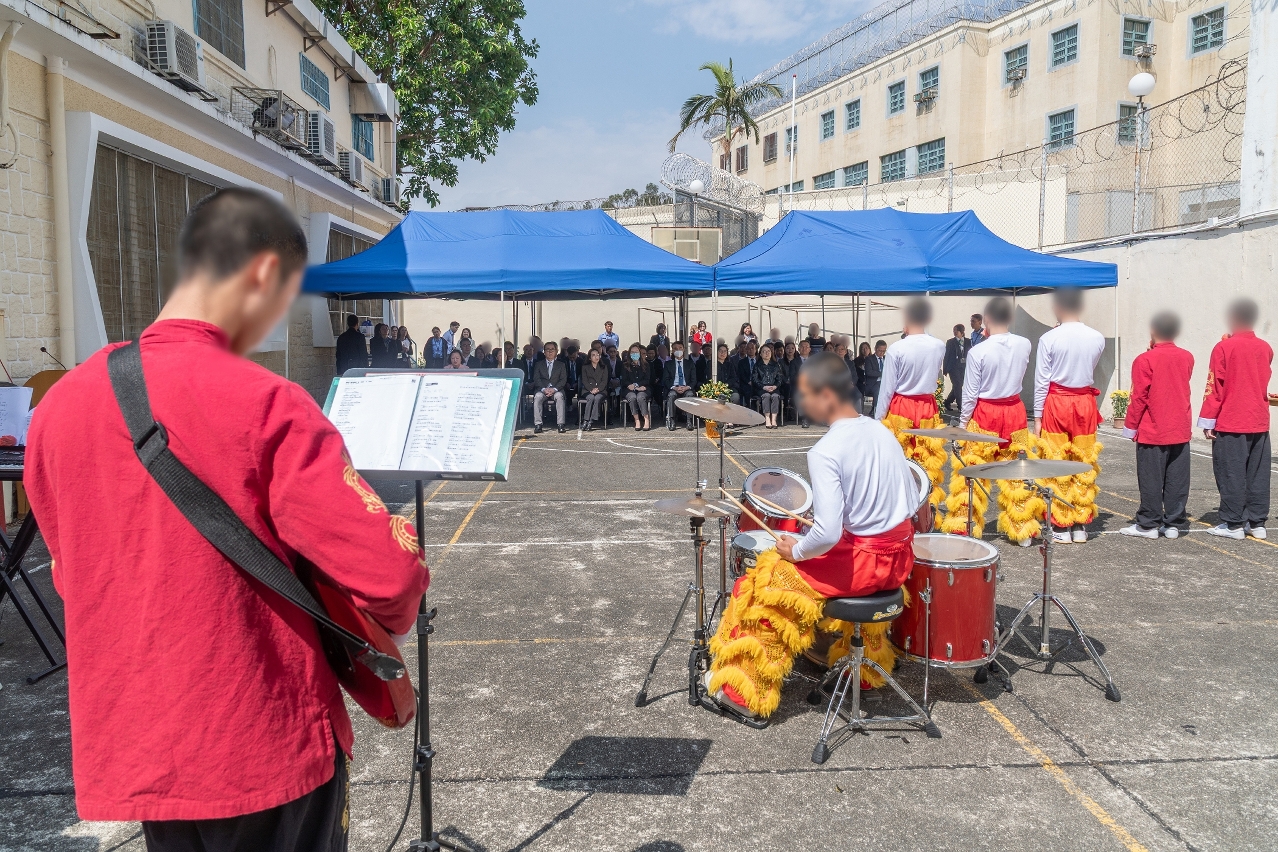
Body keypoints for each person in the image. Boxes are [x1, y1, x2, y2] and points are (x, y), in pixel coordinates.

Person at [25, 188, 429, 849]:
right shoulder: (268, 400)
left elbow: (75, 580)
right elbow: (389, 578)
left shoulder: (59, 408)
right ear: (265, 273)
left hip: (145, 744)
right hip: (264, 736)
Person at [707, 353, 918, 718]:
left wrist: (797, 551)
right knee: (797, 556)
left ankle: (744, 693)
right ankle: (863, 675)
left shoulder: (826, 450)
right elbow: (909, 502)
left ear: (826, 395)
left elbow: (828, 533)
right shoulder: (881, 431)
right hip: (899, 558)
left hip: (864, 563)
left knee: (765, 579)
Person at [940, 297, 1042, 546]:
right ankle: (1022, 528)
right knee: (1017, 470)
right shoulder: (1025, 344)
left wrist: (962, 425)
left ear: (986, 319)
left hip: (986, 411)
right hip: (1014, 410)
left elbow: (970, 394)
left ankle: (965, 525)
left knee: (973, 469)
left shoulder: (978, 351)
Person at [1033, 288, 1108, 544]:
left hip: (1057, 401)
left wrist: (1038, 416)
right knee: (1084, 460)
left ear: (1058, 307)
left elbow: (1042, 380)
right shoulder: (1097, 337)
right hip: (1084, 401)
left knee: (1056, 460)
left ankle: (1060, 523)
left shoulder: (1049, 338)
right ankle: (1080, 524)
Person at [1198, 297, 1273, 539]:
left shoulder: (1223, 347)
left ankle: (1233, 524)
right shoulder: (1265, 347)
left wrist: (1208, 420)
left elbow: (1214, 386)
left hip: (1232, 419)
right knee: (1258, 473)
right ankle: (1257, 522)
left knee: (1231, 472)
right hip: (1258, 419)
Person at [1120, 312, 1195, 539]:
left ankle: (1148, 523)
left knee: (1151, 477)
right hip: (1180, 426)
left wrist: (1130, 426)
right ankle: (1173, 522)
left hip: (1153, 428)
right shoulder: (1187, 357)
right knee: (1177, 477)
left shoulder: (1144, 360)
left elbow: (1138, 397)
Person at [874, 298, 947, 513]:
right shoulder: (938, 345)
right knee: (927, 459)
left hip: (902, 406)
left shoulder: (897, 348)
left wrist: (878, 419)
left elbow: (887, 388)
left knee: (901, 458)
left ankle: (900, 509)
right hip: (927, 407)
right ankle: (926, 509)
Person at [532, 341, 568, 433]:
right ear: (544, 352)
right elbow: (536, 378)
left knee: (559, 396)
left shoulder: (561, 365)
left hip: (556, 390)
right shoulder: (538, 364)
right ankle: (538, 424)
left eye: (552, 349)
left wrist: (554, 389)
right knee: (537, 397)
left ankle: (560, 424)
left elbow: (563, 380)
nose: (550, 351)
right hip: (542, 389)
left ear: (556, 351)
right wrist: (544, 389)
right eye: (547, 349)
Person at [664, 341, 697, 430]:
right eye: (675, 348)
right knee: (671, 395)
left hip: (686, 387)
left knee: (690, 395)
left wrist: (686, 387)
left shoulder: (690, 363)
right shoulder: (668, 364)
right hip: (674, 387)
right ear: (672, 351)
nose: (678, 350)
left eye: (680, 348)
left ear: (684, 349)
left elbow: (694, 380)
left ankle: (689, 421)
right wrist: (674, 388)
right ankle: (672, 421)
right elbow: (666, 380)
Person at [753, 342, 785, 428]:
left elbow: (779, 378)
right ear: (760, 354)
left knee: (775, 396)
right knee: (766, 396)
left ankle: (774, 419)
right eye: (764, 351)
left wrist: (775, 386)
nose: (767, 353)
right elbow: (755, 379)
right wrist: (764, 387)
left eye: (768, 351)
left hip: (774, 388)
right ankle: (767, 418)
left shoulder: (776, 365)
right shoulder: (757, 365)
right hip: (762, 388)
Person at [578, 347, 609, 431]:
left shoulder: (604, 367)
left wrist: (598, 389)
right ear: (589, 358)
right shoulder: (585, 367)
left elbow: (604, 381)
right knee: (591, 398)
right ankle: (585, 420)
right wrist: (591, 389)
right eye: (593, 355)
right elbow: (584, 381)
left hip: (601, 390)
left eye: (598, 355)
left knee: (598, 398)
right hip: (588, 390)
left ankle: (591, 420)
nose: (596, 357)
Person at [621, 343, 652, 430]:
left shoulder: (646, 365)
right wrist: (631, 386)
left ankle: (646, 419)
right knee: (632, 397)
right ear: (629, 354)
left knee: (641, 397)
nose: (635, 354)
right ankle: (637, 420)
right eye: (632, 352)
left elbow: (647, 379)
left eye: (636, 352)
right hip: (629, 388)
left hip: (643, 388)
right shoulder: (625, 365)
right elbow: (624, 380)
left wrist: (638, 385)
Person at [943, 324, 968, 411]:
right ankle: (960, 405)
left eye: (956, 330)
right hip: (953, 368)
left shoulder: (968, 341)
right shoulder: (950, 342)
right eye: (954, 330)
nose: (954, 332)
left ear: (961, 331)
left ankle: (947, 402)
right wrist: (945, 368)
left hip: (964, 367)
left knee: (957, 386)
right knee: (958, 385)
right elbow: (947, 356)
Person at [861, 340, 887, 414]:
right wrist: (883, 374)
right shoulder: (869, 359)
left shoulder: (887, 359)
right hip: (873, 383)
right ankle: (877, 411)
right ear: (875, 349)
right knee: (878, 390)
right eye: (880, 350)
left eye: (884, 351)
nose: (882, 353)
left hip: (885, 382)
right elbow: (869, 372)